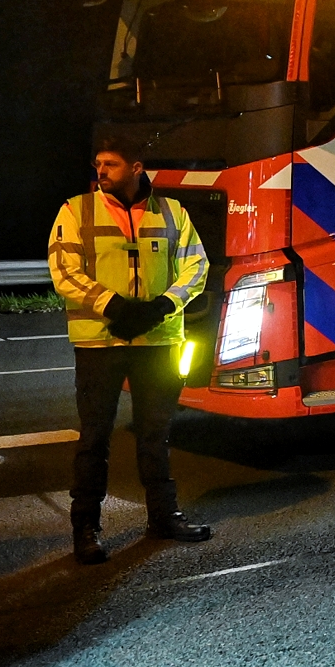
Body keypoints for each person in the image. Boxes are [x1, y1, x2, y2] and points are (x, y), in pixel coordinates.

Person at [48, 138, 211, 563]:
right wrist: (112, 305)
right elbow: (63, 269)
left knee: (156, 434)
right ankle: (85, 527)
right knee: (94, 437)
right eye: (98, 163)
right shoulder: (76, 210)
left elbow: (197, 266)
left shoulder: (172, 212)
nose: (100, 171)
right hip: (100, 340)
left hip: (158, 340)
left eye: (111, 164)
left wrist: (162, 306)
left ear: (136, 167)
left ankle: (163, 517)